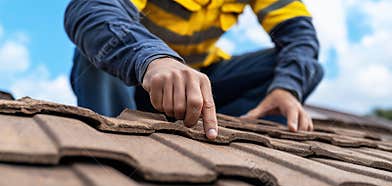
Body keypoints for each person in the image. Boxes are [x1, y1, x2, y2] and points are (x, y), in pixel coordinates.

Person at [64, 0, 324, 140]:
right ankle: (112, 138)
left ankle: (226, 131)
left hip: (204, 90)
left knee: (299, 68)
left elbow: (300, 37)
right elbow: (92, 9)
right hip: (138, 83)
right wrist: (153, 59)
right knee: (99, 50)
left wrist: (287, 87)